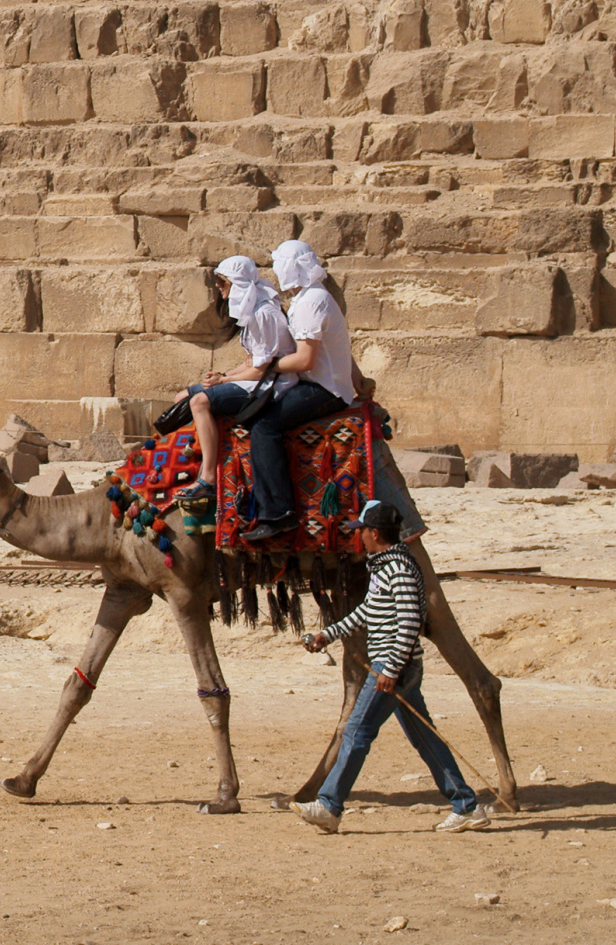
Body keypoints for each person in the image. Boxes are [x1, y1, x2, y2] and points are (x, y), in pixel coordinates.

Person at [297, 500, 491, 834]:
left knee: (358, 731)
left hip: (394, 666)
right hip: (395, 665)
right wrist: (326, 635)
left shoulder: (398, 569)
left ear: (375, 533)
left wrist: (391, 669)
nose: (360, 538)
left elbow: (410, 621)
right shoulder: (385, 566)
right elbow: (367, 612)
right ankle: (466, 806)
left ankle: (329, 806)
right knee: (424, 738)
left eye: (363, 532)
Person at [240, 240, 357, 542]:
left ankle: (278, 513)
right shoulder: (316, 296)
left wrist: (270, 366)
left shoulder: (309, 303)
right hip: (328, 383)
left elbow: (305, 359)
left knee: (263, 427)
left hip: (323, 390)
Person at [172, 256, 296, 507]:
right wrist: (223, 377)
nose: (218, 287)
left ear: (237, 283)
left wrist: (226, 379)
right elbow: (252, 361)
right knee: (182, 398)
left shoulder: (263, 313)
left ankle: (207, 478)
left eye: (222, 282)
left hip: (271, 385)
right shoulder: (253, 309)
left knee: (199, 402)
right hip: (256, 379)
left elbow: (261, 370)